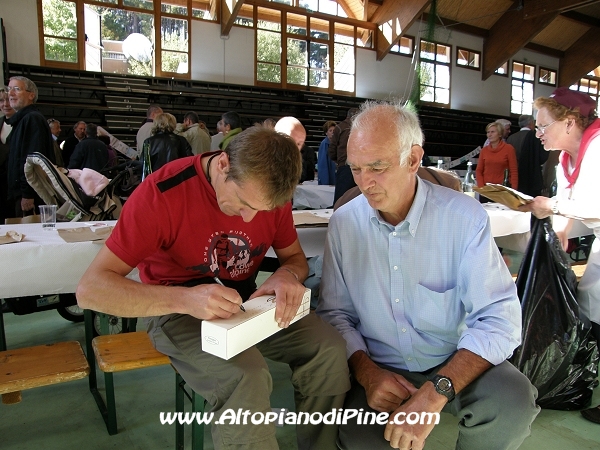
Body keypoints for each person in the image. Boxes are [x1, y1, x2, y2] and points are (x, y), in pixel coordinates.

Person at [76, 125, 350, 449]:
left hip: (248, 301)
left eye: (261, 210)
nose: (248, 219)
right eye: (243, 203)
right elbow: (90, 289)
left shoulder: (272, 195)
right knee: (245, 378)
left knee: (328, 348)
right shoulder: (162, 194)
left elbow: (294, 258)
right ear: (222, 164)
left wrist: (287, 275)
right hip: (174, 308)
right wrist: (187, 299)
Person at [317, 100, 539, 450]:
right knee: (361, 437)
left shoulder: (463, 218)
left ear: (414, 159)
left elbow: (499, 319)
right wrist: (367, 373)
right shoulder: (345, 224)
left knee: (512, 401)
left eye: (378, 166)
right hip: (381, 366)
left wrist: (438, 390)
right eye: (357, 169)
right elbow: (334, 314)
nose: (366, 183)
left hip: (455, 360)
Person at [517, 87, 600, 424]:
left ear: (569, 122)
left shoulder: (597, 147)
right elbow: (574, 212)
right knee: (591, 307)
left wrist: (550, 206)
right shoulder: (566, 158)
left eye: (543, 126)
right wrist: (560, 234)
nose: (538, 134)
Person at [5, 76, 55, 217]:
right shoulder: (21, 120)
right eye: (9, 89)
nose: (11, 93)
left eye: (17, 89)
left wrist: (28, 193)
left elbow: (32, 160)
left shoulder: (32, 119)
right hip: (21, 193)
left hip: (30, 195)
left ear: (31, 95)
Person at [507, 114, 548, 197]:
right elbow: (543, 157)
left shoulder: (511, 138)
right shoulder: (536, 137)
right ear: (531, 123)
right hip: (532, 177)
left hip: (514, 177)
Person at [476, 121, 518, 190]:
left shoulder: (509, 149)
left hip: (503, 189)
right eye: (488, 132)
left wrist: (514, 190)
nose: (489, 135)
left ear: (500, 134)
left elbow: (514, 171)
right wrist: (481, 187)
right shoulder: (484, 150)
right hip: (486, 189)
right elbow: (479, 170)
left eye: (492, 132)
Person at [329, 108, 358, 204]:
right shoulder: (362, 129)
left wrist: (338, 161)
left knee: (341, 198)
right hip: (359, 166)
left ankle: (337, 216)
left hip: (344, 165)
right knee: (356, 196)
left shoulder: (340, 127)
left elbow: (332, 148)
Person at [274, 116, 314, 183]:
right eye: (291, 141)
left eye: (299, 144)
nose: (295, 148)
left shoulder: (299, 160)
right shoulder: (263, 163)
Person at [0, 90, 15, 223]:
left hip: (15, 188)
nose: (5, 104)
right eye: (1, 100)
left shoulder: (23, 123)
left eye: (9, 100)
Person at [317, 120, 337, 185]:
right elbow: (323, 165)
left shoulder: (337, 143)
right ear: (326, 133)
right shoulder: (324, 144)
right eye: (330, 131)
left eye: (334, 131)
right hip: (328, 179)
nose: (332, 133)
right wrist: (325, 182)